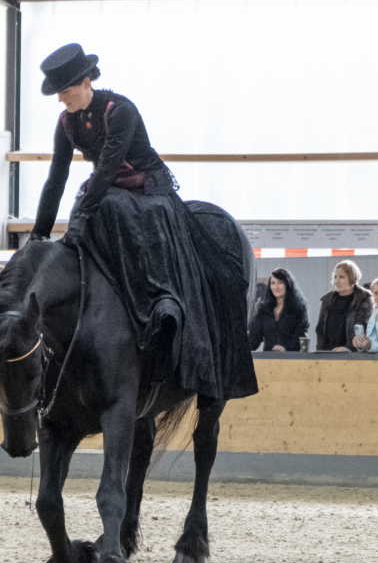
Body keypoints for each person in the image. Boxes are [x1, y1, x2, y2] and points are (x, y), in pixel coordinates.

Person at [29, 43, 257, 402]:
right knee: (85, 206)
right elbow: (56, 177)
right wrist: (39, 232)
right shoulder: (67, 122)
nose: (61, 99)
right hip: (107, 190)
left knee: (105, 210)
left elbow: (106, 167)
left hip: (147, 190)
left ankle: (164, 308)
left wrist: (85, 215)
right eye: (58, 93)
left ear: (86, 82)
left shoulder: (121, 110)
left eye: (65, 91)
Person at [315, 260, 373, 352]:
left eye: (341, 277)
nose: (336, 281)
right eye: (335, 277)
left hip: (352, 356)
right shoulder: (327, 300)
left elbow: (363, 329)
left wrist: (349, 348)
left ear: (352, 278)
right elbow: (320, 330)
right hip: (327, 354)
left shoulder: (364, 298)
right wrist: (320, 351)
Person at [247, 268, 309, 352]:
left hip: (292, 359)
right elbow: (254, 339)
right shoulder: (263, 309)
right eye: (273, 283)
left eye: (280, 282)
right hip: (267, 360)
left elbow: (301, 336)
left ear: (288, 284)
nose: (275, 287)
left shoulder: (299, 309)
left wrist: (286, 348)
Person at [353, 277, 378, 353]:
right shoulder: (373, 317)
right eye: (376, 293)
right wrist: (362, 344)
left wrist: (371, 345)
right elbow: (372, 343)